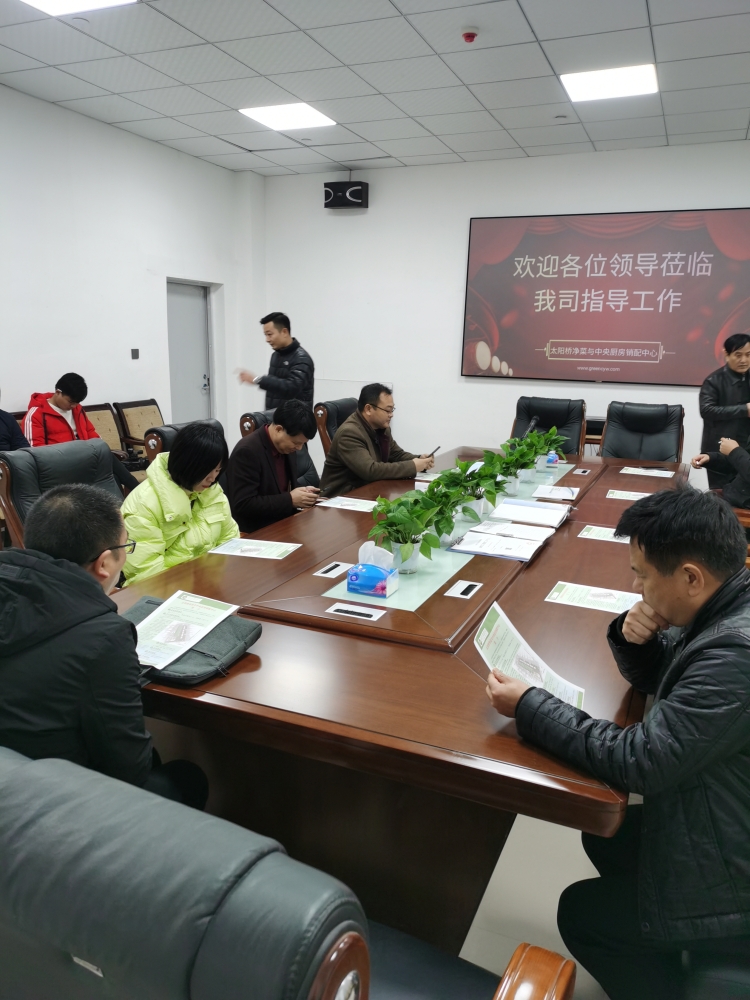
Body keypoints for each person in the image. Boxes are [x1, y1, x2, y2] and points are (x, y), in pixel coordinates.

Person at [485, 488, 750, 1000]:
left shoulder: (735, 656)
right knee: (604, 836)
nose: (636, 587)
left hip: (737, 882)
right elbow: (680, 682)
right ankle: (662, 947)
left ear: (691, 577)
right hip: (724, 809)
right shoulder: (727, 602)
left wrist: (529, 706)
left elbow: (640, 759)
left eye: (643, 576)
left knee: (582, 913)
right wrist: (637, 641)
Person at [0, 484, 208, 809]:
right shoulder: (103, 637)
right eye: (126, 546)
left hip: (12, 773)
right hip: (49, 804)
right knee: (186, 778)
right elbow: (129, 770)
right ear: (104, 564)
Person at [122, 420, 238, 585]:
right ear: (187, 464)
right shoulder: (144, 505)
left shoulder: (211, 491)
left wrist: (217, 578)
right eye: (207, 471)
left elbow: (230, 538)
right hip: (167, 589)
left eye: (218, 470)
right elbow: (146, 575)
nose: (213, 478)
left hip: (208, 583)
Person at [23, 372, 139, 492]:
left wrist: (99, 450)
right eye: (71, 401)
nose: (73, 406)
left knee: (111, 470)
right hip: (59, 466)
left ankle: (134, 494)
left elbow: (91, 433)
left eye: (77, 403)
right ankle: (138, 490)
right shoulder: (36, 415)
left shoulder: (77, 409)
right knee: (110, 469)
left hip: (84, 460)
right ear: (58, 392)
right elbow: (34, 452)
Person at [320, 383, 434, 497]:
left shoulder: (382, 428)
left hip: (369, 490)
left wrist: (419, 459)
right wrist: (412, 466)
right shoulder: (349, 433)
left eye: (392, 410)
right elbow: (370, 471)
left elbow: (396, 454)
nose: (391, 415)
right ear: (368, 409)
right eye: (387, 410)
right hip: (341, 498)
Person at [226, 399, 319, 533]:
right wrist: (290, 499)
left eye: (303, 444)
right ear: (279, 429)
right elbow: (243, 504)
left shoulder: (286, 447)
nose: (299, 448)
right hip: (259, 530)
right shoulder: (248, 451)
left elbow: (278, 487)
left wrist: (302, 492)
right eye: (296, 443)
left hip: (286, 523)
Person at [699, 333, 750, 489]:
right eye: (738, 355)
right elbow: (706, 410)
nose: (744, 360)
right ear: (726, 354)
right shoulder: (713, 381)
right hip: (720, 452)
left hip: (746, 452)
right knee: (721, 497)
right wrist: (744, 410)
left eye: (748, 355)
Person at [237, 312, 314, 409]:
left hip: (295, 417)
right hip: (273, 415)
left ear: (284, 332)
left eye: (269, 334)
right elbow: (274, 390)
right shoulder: (275, 355)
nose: (267, 339)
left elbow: (291, 388)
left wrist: (257, 380)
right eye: (265, 335)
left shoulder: (302, 358)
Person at [692, 436, 750, 508]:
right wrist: (710, 458)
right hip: (734, 494)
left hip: (741, 504)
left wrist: (734, 452)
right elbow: (740, 465)